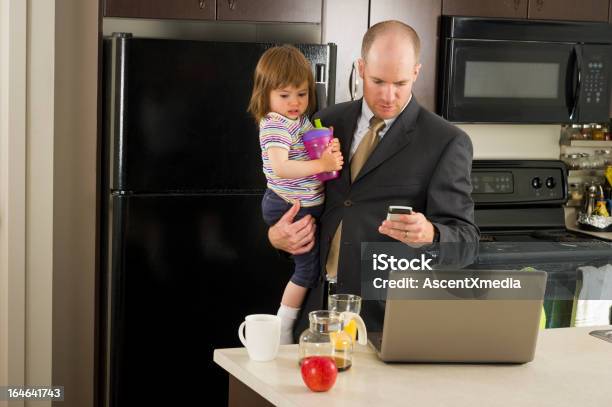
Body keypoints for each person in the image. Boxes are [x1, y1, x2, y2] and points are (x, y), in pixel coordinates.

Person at [267, 21, 480, 341]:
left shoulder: (446, 142)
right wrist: (277, 237)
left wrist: (432, 234)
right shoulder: (326, 121)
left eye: (401, 82)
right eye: (378, 81)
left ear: (417, 73)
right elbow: (297, 197)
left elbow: (467, 242)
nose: (388, 95)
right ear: (361, 68)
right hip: (314, 315)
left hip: (384, 326)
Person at [248, 45, 344, 344]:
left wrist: (328, 152)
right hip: (288, 206)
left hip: (305, 204)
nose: (294, 102)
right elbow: (280, 168)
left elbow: (308, 154)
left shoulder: (299, 121)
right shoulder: (275, 124)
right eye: (284, 94)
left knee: (310, 267)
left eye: (301, 94)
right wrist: (323, 163)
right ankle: (283, 327)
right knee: (307, 269)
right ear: (265, 95)